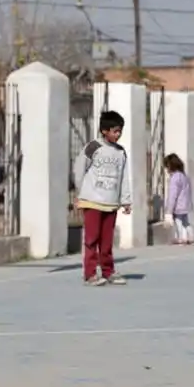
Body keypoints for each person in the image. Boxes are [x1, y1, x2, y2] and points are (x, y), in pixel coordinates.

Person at [72, 110, 132, 286]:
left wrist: (126, 200)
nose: (118, 134)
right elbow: (79, 169)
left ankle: (108, 271)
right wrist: (80, 192)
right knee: (91, 239)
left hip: (111, 203)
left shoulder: (121, 152)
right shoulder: (93, 147)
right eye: (115, 131)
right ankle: (90, 274)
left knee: (106, 241)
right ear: (104, 130)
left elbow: (124, 177)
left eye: (120, 131)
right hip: (92, 201)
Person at [163, 153, 194, 245]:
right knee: (186, 222)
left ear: (170, 166)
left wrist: (169, 210)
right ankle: (190, 236)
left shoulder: (175, 178)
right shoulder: (184, 176)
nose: (166, 170)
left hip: (178, 205)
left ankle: (182, 238)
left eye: (167, 167)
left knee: (178, 222)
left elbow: (173, 195)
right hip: (186, 204)